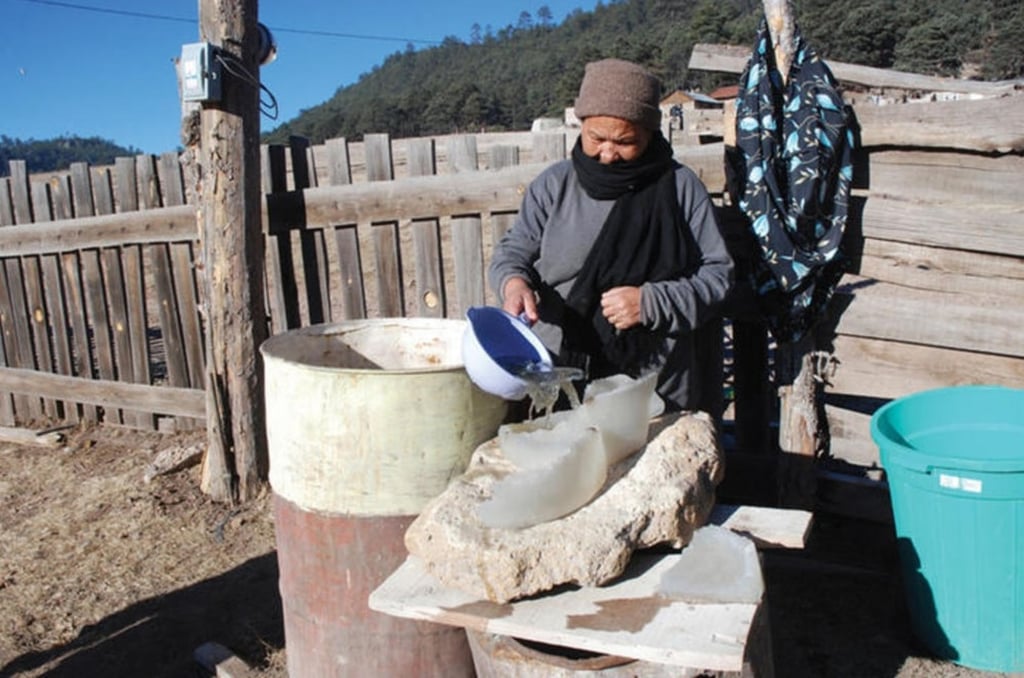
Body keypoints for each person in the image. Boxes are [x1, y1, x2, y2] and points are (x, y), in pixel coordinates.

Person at [488, 58, 734, 413]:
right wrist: (513, 284)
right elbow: (513, 252)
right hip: (559, 374)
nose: (607, 153)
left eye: (625, 141)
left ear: (650, 133)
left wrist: (653, 302)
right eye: (596, 138)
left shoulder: (680, 189)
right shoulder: (554, 186)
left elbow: (718, 276)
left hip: (652, 385)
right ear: (581, 125)